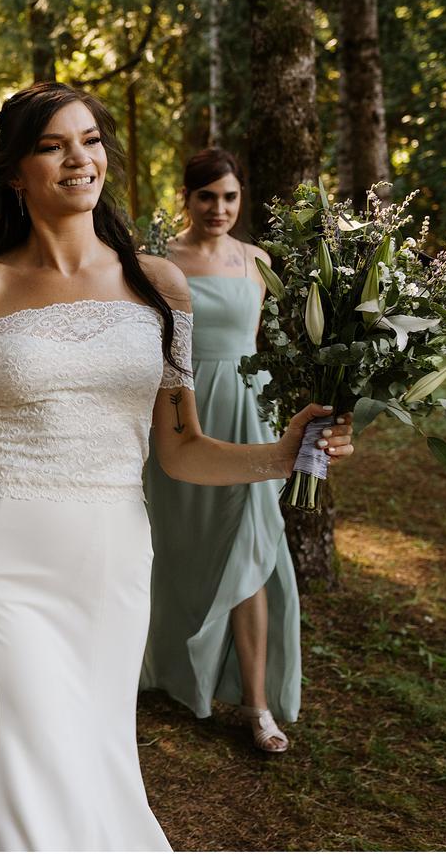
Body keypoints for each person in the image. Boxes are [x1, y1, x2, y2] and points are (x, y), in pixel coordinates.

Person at [0, 82, 354, 850]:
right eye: (53, 144)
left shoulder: (160, 287)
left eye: (89, 139)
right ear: (16, 171)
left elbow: (181, 448)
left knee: (91, 766)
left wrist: (283, 453)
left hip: (111, 565)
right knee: (22, 770)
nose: (79, 157)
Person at [139, 148, 301, 752]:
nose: (220, 208)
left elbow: (261, 341)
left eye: (230, 197)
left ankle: (257, 705)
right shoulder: (159, 262)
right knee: (175, 544)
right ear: (188, 196)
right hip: (182, 406)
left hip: (247, 412)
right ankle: (166, 669)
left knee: (253, 550)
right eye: (207, 196)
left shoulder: (258, 260)